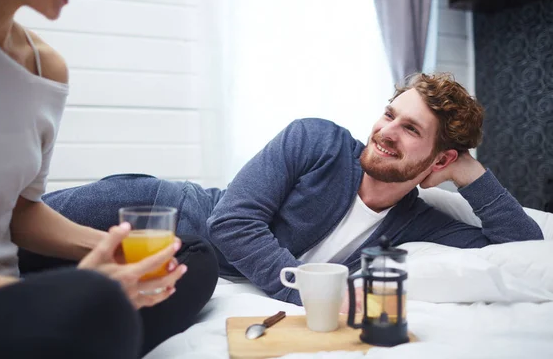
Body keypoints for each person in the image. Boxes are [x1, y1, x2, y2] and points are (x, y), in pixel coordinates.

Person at [43, 72, 544, 308]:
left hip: (176, 267)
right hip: (148, 211)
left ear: (441, 158)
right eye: (390, 114)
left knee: (16, 301)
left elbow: (520, 248)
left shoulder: (419, 222)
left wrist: (469, 174)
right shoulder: (317, 140)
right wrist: (308, 292)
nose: (387, 130)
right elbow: (231, 223)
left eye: (411, 129)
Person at [0, 0, 218, 358]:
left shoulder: (46, 68)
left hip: (13, 292)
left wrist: (109, 254)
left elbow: (21, 213)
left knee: (188, 260)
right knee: (99, 304)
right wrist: (58, 297)